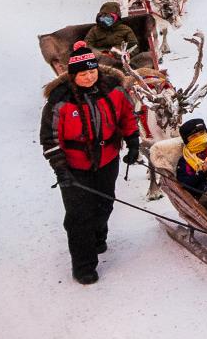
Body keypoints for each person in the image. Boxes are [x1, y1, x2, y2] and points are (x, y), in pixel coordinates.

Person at [40, 45, 141, 284]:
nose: (89, 76)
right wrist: (61, 169)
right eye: (83, 74)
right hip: (74, 166)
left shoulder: (113, 90)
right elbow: (50, 139)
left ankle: (97, 236)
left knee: (105, 204)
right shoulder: (60, 102)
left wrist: (133, 141)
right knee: (79, 216)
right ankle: (83, 265)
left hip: (107, 158)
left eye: (92, 71)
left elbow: (127, 116)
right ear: (73, 75)